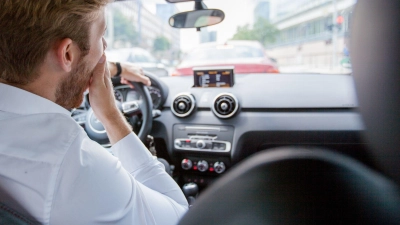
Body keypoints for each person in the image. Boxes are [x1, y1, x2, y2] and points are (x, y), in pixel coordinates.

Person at [0, 1, 188, 224]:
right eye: (102, 35)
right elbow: (181, 214)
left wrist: (116, 68)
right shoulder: (72, 165)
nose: (105, 46)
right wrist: (111, 117)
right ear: (68, 54)